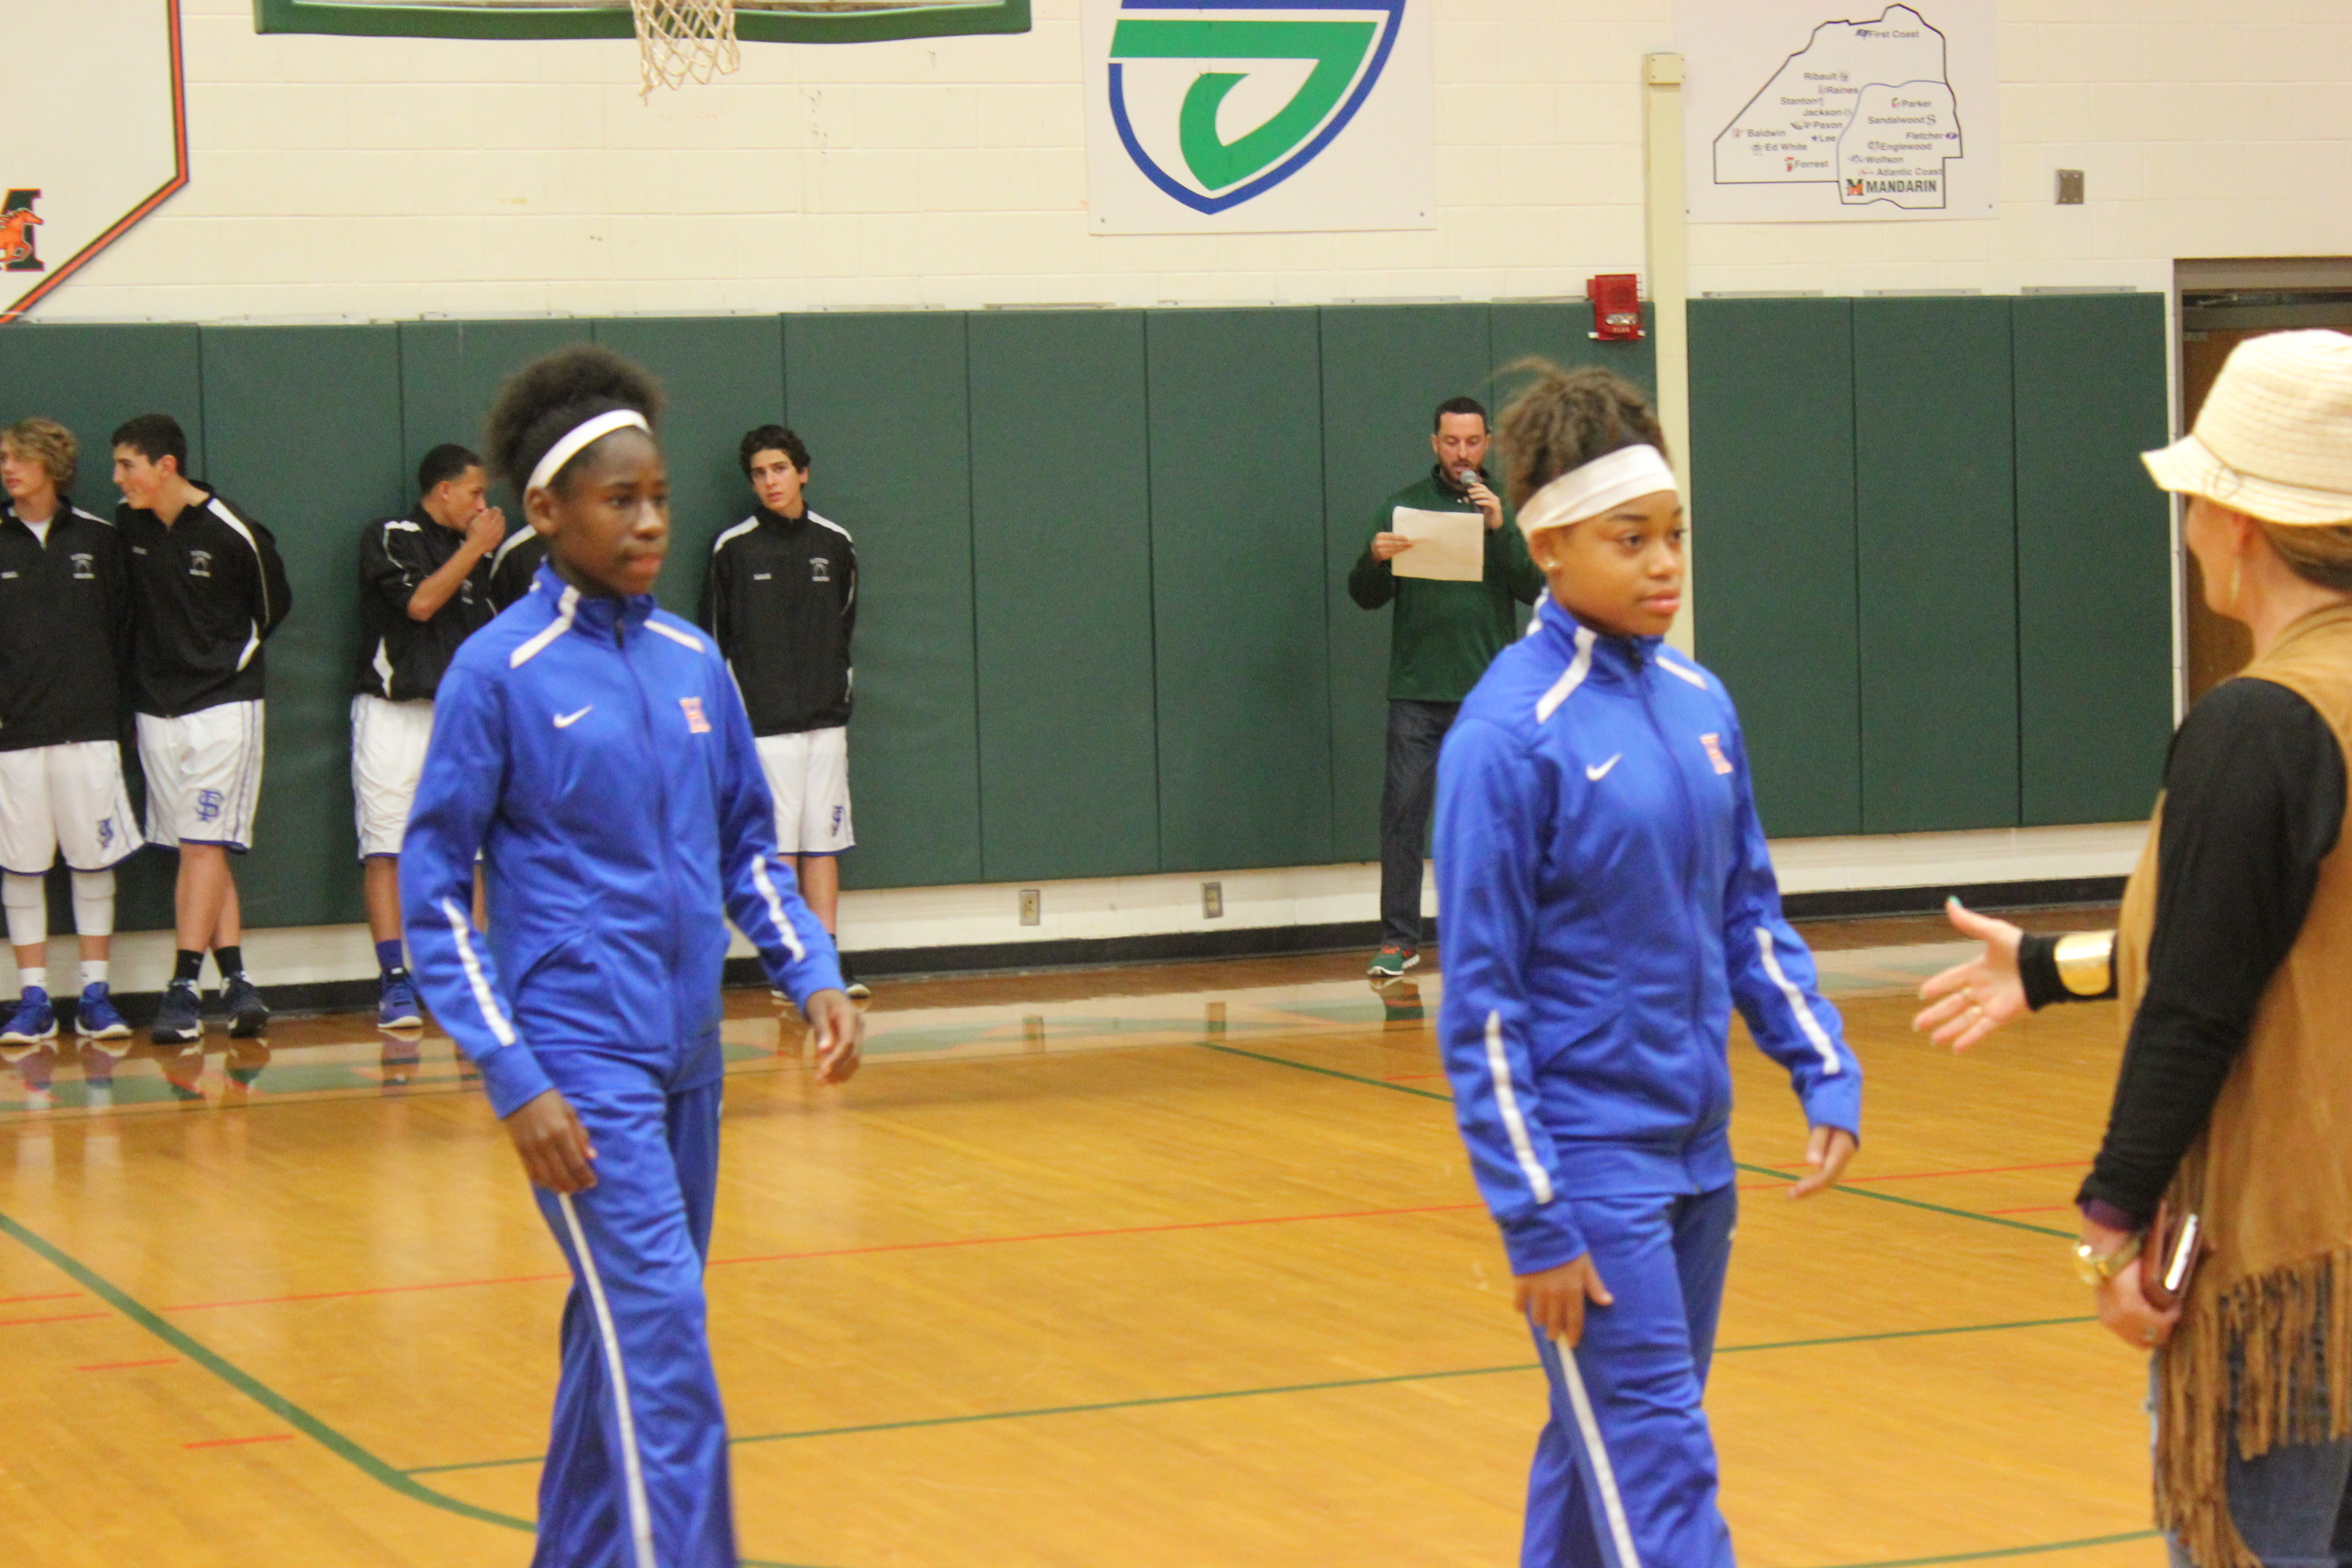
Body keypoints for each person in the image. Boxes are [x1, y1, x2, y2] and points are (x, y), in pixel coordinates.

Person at [400, 345, 862, 1568]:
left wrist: (812, 971)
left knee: (620, 1332)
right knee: (662, 1343)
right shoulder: (497, 675)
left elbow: (747, 850)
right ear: (546, 511)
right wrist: (516, 1077)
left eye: (657, 495)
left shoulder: (694, 661)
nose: (651, 520)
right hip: (578, 1069)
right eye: (620, 499)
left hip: (689, 1061)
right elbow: (434, 899)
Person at [1916, 329, 2352, 1568]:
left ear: (2240, 523)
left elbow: (2203, 998)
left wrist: (2112, 1222)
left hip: (2299, 1262)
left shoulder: (2262, 723)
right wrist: (2051, 967)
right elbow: (2294, 942)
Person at [1436, 363, 1861, 1568]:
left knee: (1601, 1462)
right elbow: (1482, 1009)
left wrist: (1822, 1064)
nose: (1665, 564)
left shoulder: (1699, 702)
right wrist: (1536, 1219)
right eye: (1631, 539)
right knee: (1660, 1474)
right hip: (1589, 1177)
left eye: (1675, 534)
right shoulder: (1504, 738)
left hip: (1700, 1161)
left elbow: (1747, 911)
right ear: (1550, 546)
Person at [1348, 394, 1544, 981]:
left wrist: (1499, 529)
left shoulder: (1506, 507)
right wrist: (1374, 559)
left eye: (1473, 442)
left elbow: (1536, 588)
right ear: (1435, 444)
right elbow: (1365, 596)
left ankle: (1500, 937)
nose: (1463, 452)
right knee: (1403, 817)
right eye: (1452, 441)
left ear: (1488, 445)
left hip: (1485, 696)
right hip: (1416, 691)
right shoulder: (1402, 506)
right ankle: (1399, 940)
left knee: (1497, 821)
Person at [113, 413, 290, 1044]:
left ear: (165, 466)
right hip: (156, 709)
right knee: (199, 848)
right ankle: (238, 984)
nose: (118, 478)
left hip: (221, 705)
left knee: (202, 845)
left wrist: (219, 661)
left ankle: (182, 987)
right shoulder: (129, 526)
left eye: (127, 465)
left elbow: (272, 608)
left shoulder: (233, 531)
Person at [699, 424, 867, 1000]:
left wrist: (834, 694)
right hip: (762, 728)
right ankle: (791, 965)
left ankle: (826, 959)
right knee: (780, 850)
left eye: (779, 470)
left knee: (823, 842)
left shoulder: (836, 544)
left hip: (826, 722)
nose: (770, 482)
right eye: (759, 474)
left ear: (803, 473)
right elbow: (714, 641)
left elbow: (844, 623)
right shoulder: (733, 549)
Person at [352, 443, 505, 1030]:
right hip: (391, 712)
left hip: (456, 718)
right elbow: (419, 604)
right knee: (386, 847)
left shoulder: (482, 557)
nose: (484, 505)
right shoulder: (390, 535)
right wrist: (473, 549)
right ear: (444, 490)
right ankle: (395, 979)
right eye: (475, 493)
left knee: (469, 852)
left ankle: (471, 979)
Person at [0, 417, 141, 1045]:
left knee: (92, 861)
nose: (8, 468)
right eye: (3, 458)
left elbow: (125, 634)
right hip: (15, 736)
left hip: (88, 730)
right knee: (21, 867)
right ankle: (33, 999)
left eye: (18, 457)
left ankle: (94, 995)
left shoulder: (99, 541)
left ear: (51, 466)